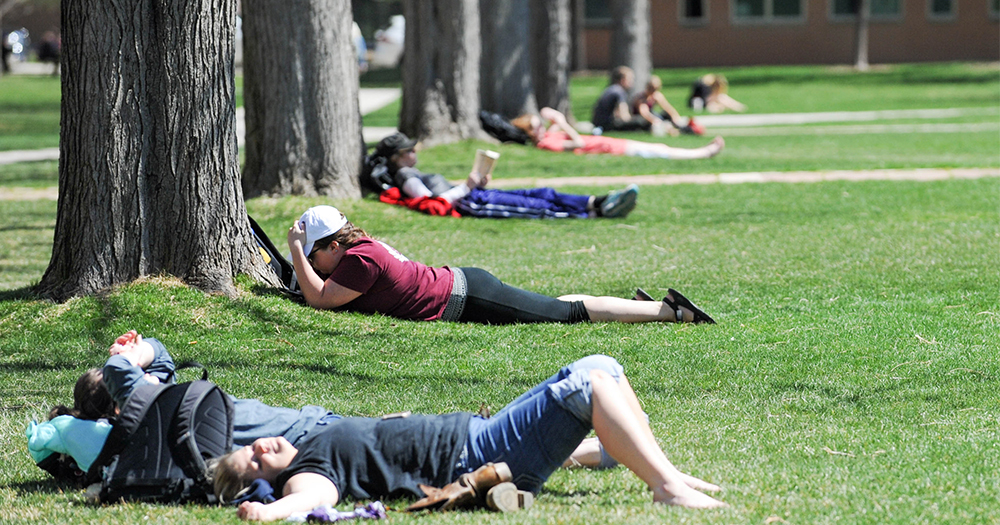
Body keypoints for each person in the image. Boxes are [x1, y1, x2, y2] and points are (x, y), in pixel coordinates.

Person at [211, 354, 727, 521]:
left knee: (601, 364)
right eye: (253, 467)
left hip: (477, 432)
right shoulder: (307, 475)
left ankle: (643, 461)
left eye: (249, 448)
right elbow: (313, 502)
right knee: (586, 386)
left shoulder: (317, 438)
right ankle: (665, 486)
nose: (257, 450)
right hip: (481, 456)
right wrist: (271, 510)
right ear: (268, 483)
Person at [32, 331, 615, 472]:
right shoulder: (142, 417)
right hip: (308, 440)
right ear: (115, 404)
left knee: (418, 429)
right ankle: (576, 442)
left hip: (314, 424)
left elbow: (158, 362)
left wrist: (143, 349)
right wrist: (124, 356)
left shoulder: (154, 401)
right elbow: (128, 372)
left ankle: (580, 449)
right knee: (426, 436)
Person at [287, 205, 717, 325]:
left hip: (469, 297)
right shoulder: (363, 248)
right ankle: (633, 306)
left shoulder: (361, 259)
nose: (316, 265)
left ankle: (669, 311)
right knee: (549, 304)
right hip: (467, 286)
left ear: (331, 244)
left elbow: (321, 300)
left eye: (315, 256)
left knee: (567, 313)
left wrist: (293, 250)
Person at [373, 132, 639, 219]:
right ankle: (597, 213)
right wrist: (466, 187)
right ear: (397, 157)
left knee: (543, 193)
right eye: (409, 150)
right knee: (535, 206)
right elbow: (432, 202)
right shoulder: (406, 177)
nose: (414, 152)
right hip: (471, 203)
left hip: (473, 194)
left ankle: (598, 201)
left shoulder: (411, 170)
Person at [513, 107, 724, 160]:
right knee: (660, 150)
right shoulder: (545, 144)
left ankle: (702, 152)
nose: (541, 127)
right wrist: (560, 120)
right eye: (535, 126)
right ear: (529, 132)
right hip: (614, 149)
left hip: (613, 143)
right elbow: (577, 142)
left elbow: (554, 131)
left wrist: (553, 119)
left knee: (659, 148)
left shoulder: (547, 136)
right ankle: (703, 153)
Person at [632, 75, 704, 136]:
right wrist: (657, 121)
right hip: (642, 120)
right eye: (652, 89)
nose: (654, 91)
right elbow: (645, 113)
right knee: (657, 120)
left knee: (666, 115)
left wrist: (675, 117)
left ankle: (684, 128)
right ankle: (676, 131)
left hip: (653, 116)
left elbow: (667, 108)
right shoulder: (641, 98)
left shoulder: (656, 96)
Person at [591, 66, 649, 133]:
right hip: (607, 125)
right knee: (641, 121)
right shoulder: (619, 91)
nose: (632, 81)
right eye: (630, 79)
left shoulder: (612, 89)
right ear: (622, 80)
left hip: (599, 123)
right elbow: (624, 116)